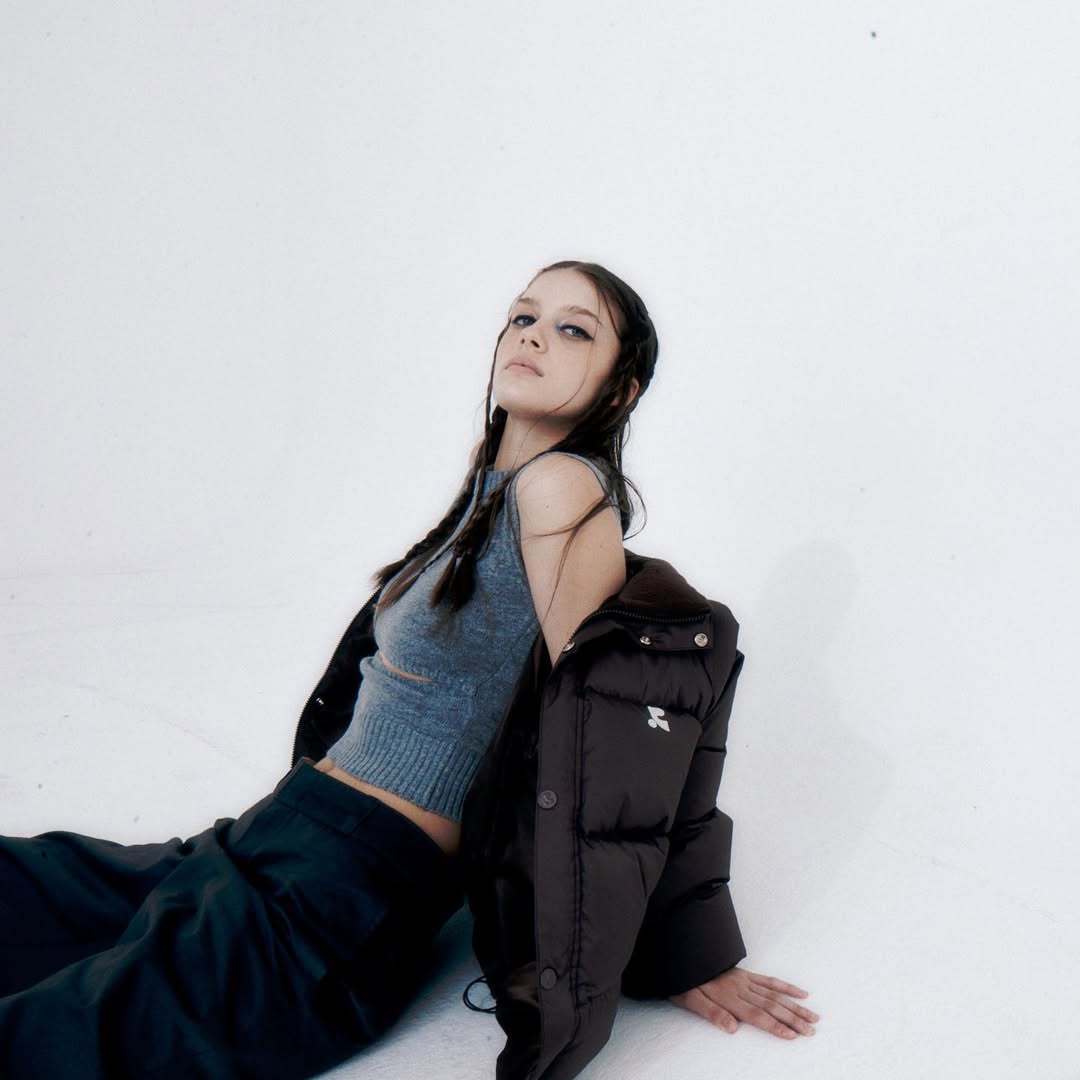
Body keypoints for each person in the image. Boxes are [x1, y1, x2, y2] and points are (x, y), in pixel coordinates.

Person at [0, 260, 819, 1079]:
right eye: (523, 317)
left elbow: (612, 747)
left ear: (620, 391)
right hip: (271, 835)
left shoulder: (563, 490)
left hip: (337, 898)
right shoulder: (490, 491)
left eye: (574, 330)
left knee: (47, 1039)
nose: (535, 335)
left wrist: (686, 952)